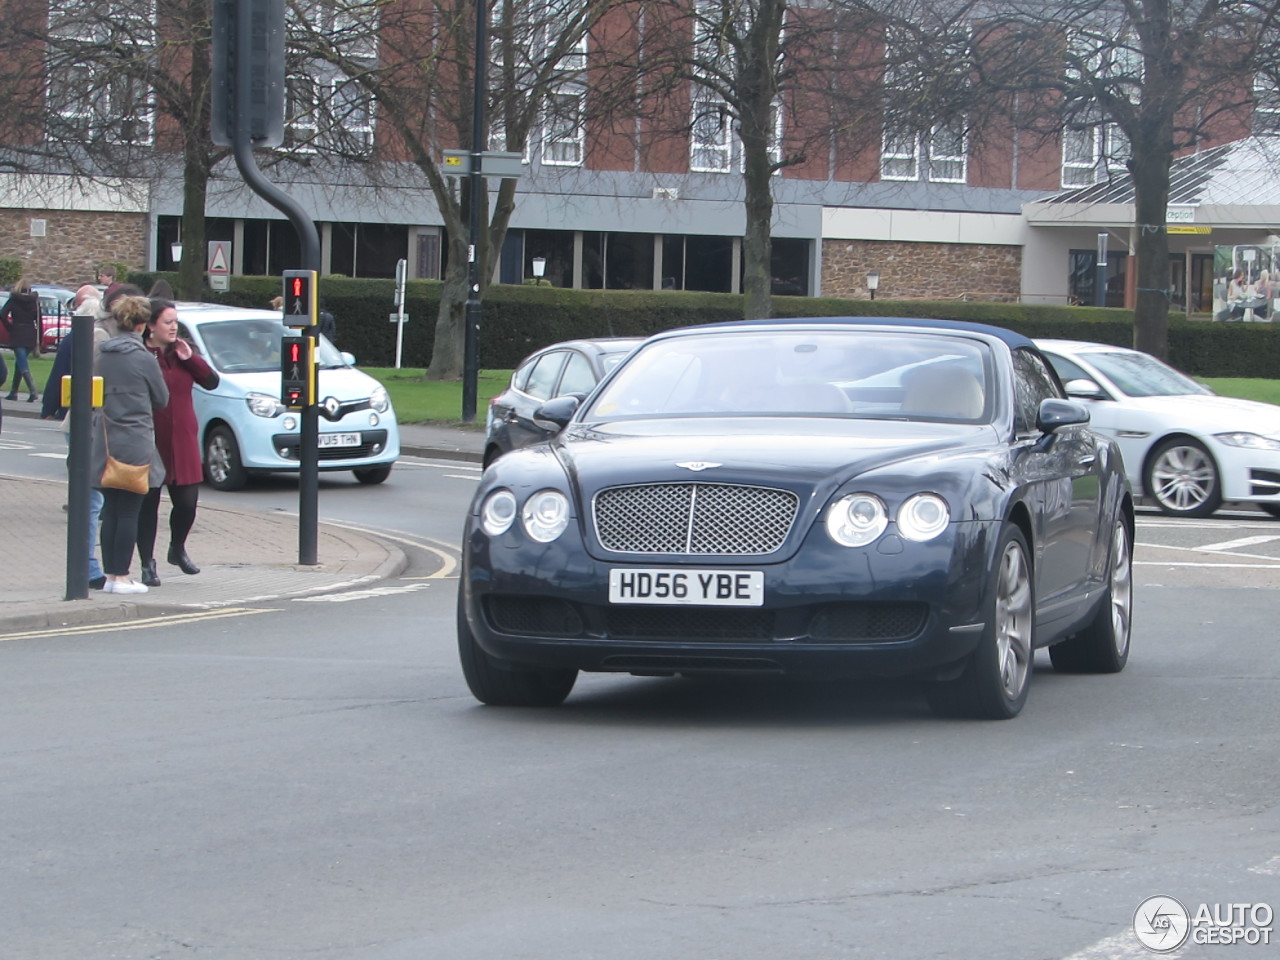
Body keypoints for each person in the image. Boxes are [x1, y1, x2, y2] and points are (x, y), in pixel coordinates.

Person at [136, 298, 219, 586]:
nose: (173, 327)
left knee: (187, 503)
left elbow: (211, 381)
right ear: (150, 326)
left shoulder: (183, 354)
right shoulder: (141, 354)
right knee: (148, 504)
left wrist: (190, 358)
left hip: (183, 435)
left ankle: (177, 548)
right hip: (151, 437)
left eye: (175, 322)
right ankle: (147, 563)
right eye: (167, 322)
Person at [91, 295, 169, 594]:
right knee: (129, 511)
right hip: (135, 440)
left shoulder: (102, 353)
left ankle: (111, 576)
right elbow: (161, 398)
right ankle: (121, 576)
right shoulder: (142, 358)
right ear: (142, 325)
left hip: (105, 439)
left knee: (110, 509)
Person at [1, 278, 41, 402]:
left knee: (22, 363)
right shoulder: (34, 301)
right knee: (19, 362)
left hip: (17, 332)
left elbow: (2, 314)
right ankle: (13, 392)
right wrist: (39, 338)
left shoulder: (14, 300)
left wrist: (10, 327)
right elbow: (39, 320)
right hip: (30, 333)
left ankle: (33, 390)